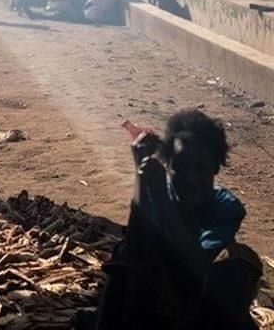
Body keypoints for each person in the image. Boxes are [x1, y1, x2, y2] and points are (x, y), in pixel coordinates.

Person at [95, 110, 262, 329]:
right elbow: (135, 243)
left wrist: (162, 201)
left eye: (201, 169)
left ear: (216, 167)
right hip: (157, 308)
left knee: (238, 263)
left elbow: (196, 263)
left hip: (203, 315)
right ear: (168, 166)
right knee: (126, 253)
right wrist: (141, 176)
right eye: (180, 168)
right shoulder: (157, 193)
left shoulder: (225, 207)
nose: (191, 179)